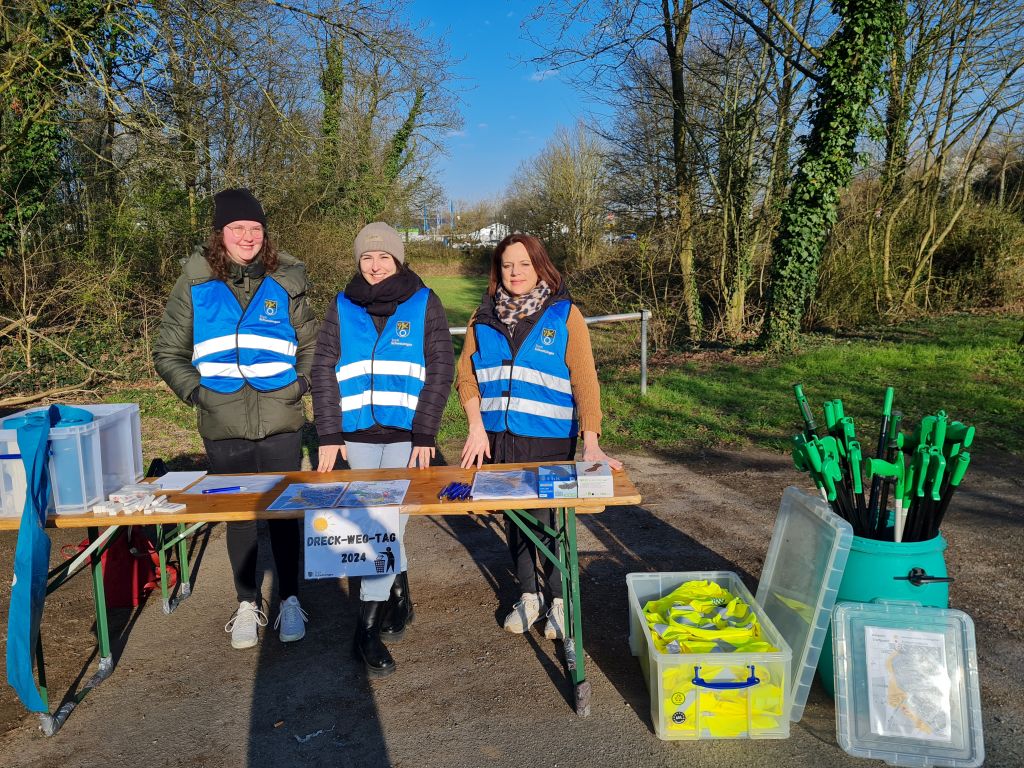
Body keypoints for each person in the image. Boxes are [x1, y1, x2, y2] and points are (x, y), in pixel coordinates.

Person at [153, 188, 317, 650]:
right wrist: (198, 394)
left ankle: (289, 599)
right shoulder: (195, 283)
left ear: (265, 234)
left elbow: (312, 343)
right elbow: (167, 352)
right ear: (219, 233)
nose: (247, 236)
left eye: (255, 228)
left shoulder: (286, 280)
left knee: (283, 513)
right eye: (237, 228)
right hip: (223, 425)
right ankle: (247, 603)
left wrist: (300, 385)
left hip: (282, 420)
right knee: (239, 517)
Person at [456, 233, 621, 639]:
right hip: (499, 439)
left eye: (524, 264)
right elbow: (466, 378)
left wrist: (591, 441)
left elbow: (585, 380)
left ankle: (560, 599)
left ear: (540, 267)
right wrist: (476, 427)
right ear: (498, 271)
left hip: (549, 439)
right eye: (507, 265)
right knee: (515, 520)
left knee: (550, 520)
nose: (515, 273)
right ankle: (529, 595)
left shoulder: (564, 315)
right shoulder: (482, 317)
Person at [311, 221, 454, 677]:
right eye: (367, 257)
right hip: (355, 436)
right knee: (372, 525)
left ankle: (366, 630)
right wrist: (329, 435)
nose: (375, 266)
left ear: (398, 259)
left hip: (406, 438)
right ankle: (399, 596)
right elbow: (322, 369)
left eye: (384, 257)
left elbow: (440, 369)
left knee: (384, 528)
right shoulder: (342, 304)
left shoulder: (425, 302)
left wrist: (425, 434)